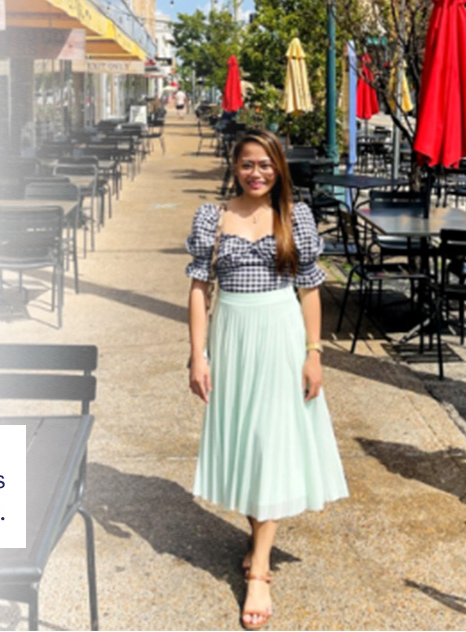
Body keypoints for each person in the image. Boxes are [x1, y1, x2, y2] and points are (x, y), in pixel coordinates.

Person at [184, 129, 348, 630]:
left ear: (279, 168)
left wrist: (314, 353)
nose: (256, 173)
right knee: (245, 441)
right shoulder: (212, 217)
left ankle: (259, 570)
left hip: (281, 335)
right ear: (235, 166)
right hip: (232, 336)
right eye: (247, 164)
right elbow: (198, 288)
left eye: (266, 165)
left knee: (269, 441)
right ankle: (259, 545)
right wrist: (197, 355)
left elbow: (310, 290)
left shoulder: (295, 216)